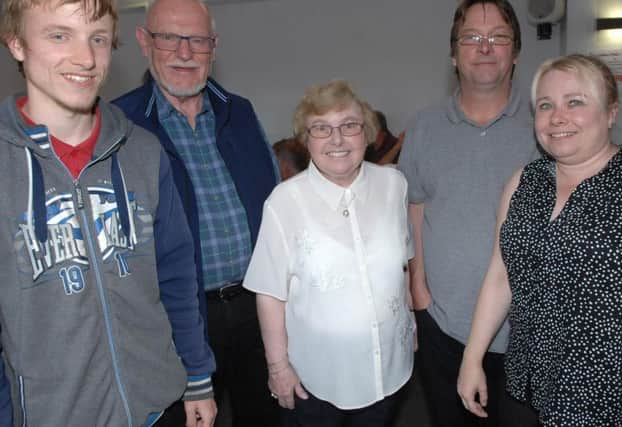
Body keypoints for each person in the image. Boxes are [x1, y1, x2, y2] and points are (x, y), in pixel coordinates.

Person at [0, 0, 216, 426]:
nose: (85, 58)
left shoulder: (143, 152)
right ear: (17, 44)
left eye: (97, 38)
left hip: (160, 407)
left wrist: (197, 378)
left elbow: (176, 275)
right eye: (59, 35)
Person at [112, 0, 280, 425]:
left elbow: (275, 206)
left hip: (256, 309)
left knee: (269, 415)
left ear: (214, 46)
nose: (184, 53)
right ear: (144, 41)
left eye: (198, 40)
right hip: (174, 323)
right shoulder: (118, 124)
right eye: (169, 37)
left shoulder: (239, 112)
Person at [458, 54, 622, 427]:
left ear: (610, 113)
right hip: (525, 383)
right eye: (546, 105)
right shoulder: (523, 183)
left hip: (606, 395)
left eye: (575, 102)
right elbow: (500, 275)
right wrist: (472, 359)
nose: (557, 117)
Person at [397, 1, 539, 425]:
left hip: (526, 332)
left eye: (498, 37)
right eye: (471, 38)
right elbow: (414, 204)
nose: (485, 47)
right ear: (453, 54)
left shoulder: (546, 126)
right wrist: (418, 290)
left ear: (515, 52)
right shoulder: (424, 126)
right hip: (444, 325)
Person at [243, 80, 415, 427]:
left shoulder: (394, 185)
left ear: (367, 135)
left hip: (389, 368)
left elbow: (402, 264)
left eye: (349, 126)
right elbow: (269, 294)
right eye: (321, 128)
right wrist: (278, 368)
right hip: (316, 381)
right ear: (305, 141)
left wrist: (410, 324)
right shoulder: (284, 202)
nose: (337, 139)